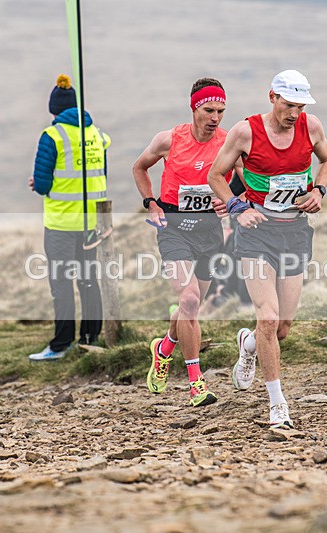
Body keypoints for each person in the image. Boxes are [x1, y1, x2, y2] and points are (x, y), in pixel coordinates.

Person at [208, 69, 327, 429]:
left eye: (300, 106)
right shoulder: (246, 132)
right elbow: (216, 175)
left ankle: (248, 344)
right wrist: (237, 208)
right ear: (272, 98)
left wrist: (318, 191)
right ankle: (278, 404)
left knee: (281, 327)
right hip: (257, 233)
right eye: (288, 105)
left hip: (294, 232)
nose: (294, 113)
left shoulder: (311, 128)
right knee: (267, 316)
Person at [132, 77, 242, 407]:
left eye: (221, 111)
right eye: (209, 110)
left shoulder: (228, 143)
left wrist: (231, 198)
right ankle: (196, 383)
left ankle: (163, 348)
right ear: (194, 108)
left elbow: (248, 176)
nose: (215, 118)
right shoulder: (169, 140)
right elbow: (139, 168)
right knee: (190, 299)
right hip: (173, 228)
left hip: (209, 232)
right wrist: (150, 202)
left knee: (190, 306)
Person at [28, 74, 111, 361]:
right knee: (89, 280)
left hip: (62, 224)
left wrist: (37, 182)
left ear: (54, 110)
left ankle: (60, 345)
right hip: (91, 224)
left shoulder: (52, 136)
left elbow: (42, 185)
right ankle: (90, 338)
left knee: (61, 284)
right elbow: (101, 175)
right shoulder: (97, 136)